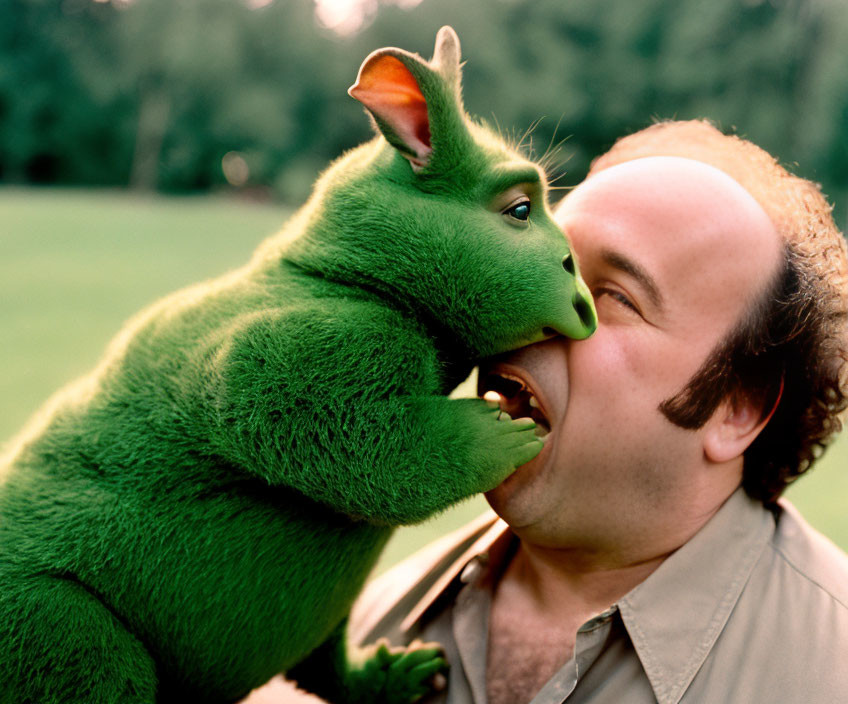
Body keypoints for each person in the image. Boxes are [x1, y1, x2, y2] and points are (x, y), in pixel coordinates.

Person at [246, 119, 848, 704]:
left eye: (614, 296)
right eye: (546, 260)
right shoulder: (370, 625)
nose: (534, 306)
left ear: (736, 409)